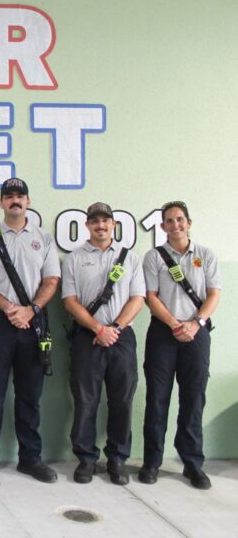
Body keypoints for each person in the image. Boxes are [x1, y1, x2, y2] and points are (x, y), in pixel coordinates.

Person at [0, 178, 60, 484]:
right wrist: (10, 308)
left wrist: (29, 310)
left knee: (30, 395)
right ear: (1, 203)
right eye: (9, 196)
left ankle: (30, 459)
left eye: (20, 195)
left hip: (33, 324)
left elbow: (51, 282)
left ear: (28, 202)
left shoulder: (43, 239)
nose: (15, 200)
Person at [61, 202, 145, 485]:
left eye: (105, 221)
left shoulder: (130, 258)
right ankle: (86, 459)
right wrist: (98, 328)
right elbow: (69, 301)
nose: (100, 225)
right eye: (94, 221)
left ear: (113, 225)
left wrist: (115, 328)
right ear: (87, 225)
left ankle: (118, 459)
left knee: (122, 400)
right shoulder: (73, 259)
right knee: (86, 401)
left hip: (121, 338)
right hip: (87, 338)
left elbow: (138, 298)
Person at [140, 201, 221, 489]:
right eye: (169, 221)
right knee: (157, 399)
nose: (175, 225)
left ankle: (192, 464)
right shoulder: (154, 257)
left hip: (196, 333)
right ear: (162, 227)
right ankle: (152, 462)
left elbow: (213, 295)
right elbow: (151, 296)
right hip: (164, 334)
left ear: (189, 222)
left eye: (180, 220)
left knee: (193, 399)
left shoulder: (206, 255)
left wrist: (195, 324)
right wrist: (175, 324)